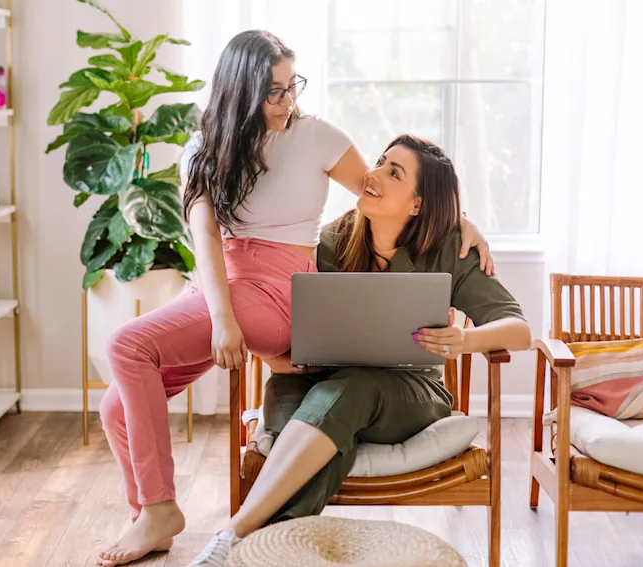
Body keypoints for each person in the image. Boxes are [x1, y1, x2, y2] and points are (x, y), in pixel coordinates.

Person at [97, 30, 493, 567]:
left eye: (292, 86)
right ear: (240, 92)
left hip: (278, 290)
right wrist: (221, 318)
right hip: (221, 287)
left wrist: (463, 222)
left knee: (126, 345)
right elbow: (206, 238)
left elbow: (389, 193)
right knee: (116, 404)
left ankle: (161, 509)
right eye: (275, 92)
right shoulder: (202, 148)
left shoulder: (316, 137)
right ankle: (152, 516)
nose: (290, 101)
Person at [187, 134, 532, 566]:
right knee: (332, 416)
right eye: (381, 161)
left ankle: (235, 535)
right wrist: (277, 358)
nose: (373, 174)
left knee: (351, 392)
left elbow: (518, 330)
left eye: (394, 172)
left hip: (408, 393)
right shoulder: (327, 241)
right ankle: (273, 549)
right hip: (315, 381)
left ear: (418, 204)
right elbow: (274, 309)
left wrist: (467, 341)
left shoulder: (450, 248)